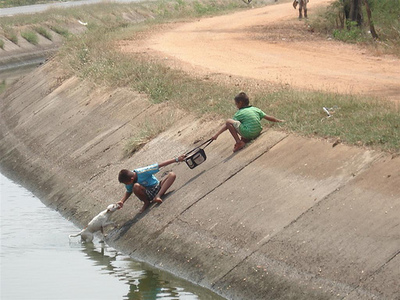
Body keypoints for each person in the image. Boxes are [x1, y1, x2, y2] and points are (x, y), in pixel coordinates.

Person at [212, 92, 284, 152]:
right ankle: (245, 139)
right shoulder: (255, 109)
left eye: (236, 104)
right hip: (258, 132)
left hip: (249, 133)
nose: (236, 106)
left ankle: (239, 142)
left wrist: (216, 135)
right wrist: (279, 121)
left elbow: (228, 125)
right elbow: (268, 117)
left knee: (228, 121)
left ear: (240, 103)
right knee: (243, 125)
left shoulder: (240, 113)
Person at [117, 155, 186, 213]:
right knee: (136, 186)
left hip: (157, 187)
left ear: (131, 179)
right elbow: (129, 191)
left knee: (172, 175)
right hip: (147, 193)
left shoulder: (142, 171)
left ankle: (158, 196)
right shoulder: (129, 180)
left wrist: (177, 159)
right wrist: (122, 201)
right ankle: (146, 202)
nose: (126, 185)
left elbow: (159, 165)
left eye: (126, 183)